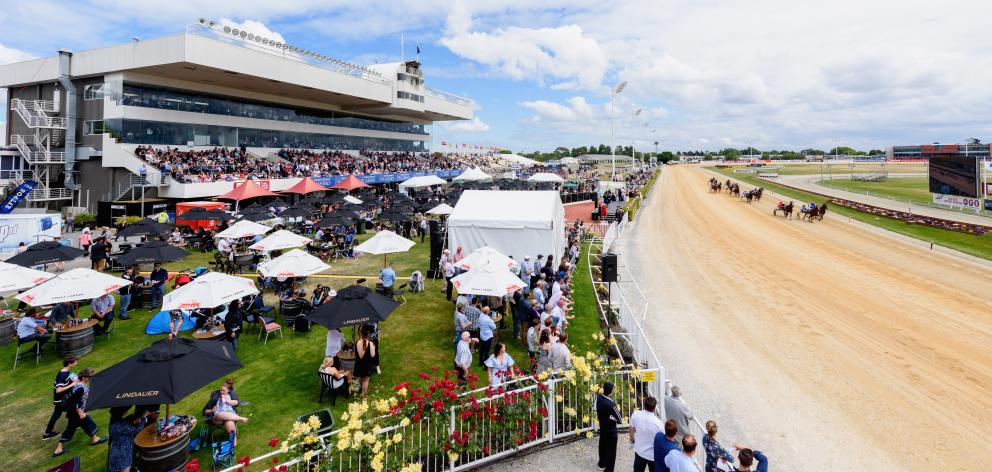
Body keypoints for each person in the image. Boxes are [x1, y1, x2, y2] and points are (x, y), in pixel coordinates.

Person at [53, 368, 107, 457]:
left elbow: (73, 377)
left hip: (75, 411)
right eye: (89, 376)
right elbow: (76, 402)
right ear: (84, 377)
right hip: (76, 412)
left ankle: (94, 439)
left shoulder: (79, 383)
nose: (91, 377)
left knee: (86, 424)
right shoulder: (81, 388)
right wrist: (80, 413)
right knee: (72, 428)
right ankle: (58, 450)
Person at [43, 357, 79, 440]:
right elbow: (58, 390)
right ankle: (75, 424)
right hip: (61, 400)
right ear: (70, 364)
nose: (76, 363)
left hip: (61, 399)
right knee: (74, 408)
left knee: (57, 414)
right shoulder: (62, 375)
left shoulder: (65, 372)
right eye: (75, 362)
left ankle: (47, 433)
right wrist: (72, 384)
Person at [628, 396, 664, 472]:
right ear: (654, 408)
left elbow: (631, 429)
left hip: (639, 451)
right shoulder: (658, 423)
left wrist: (632, 440)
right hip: (652, 455)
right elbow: (662, 440)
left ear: (644, 405)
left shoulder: (636, 414)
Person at [107, 406, 148, 472]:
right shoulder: (121, 427)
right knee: (125, 469)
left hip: (115, 450)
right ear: (120, 413)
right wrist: (144, 417)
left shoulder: (113, 423)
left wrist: (134, 419)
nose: (127, 412)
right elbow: (137, 430)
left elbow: (126, 422)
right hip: (124, 452)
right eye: (125, 411)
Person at [595, 381, 622, 472]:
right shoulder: (611, 404)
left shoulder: (599, 398)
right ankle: (609, 469)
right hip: (611, 429)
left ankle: (601, 464)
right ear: (611, 391)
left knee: (602, 445)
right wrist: (612, 418)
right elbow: (619, 418)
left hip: (602, 426)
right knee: (611, 450)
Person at [353, 324, 377, 398]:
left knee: (360, 377)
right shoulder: (370, 343)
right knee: (365, 380)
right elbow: (373, 355)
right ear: (368, 334)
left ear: (361, 333)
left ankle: (359, 390)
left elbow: (356, 353)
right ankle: (363, 396)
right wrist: (373, 347)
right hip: (367, 365)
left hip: (358, 364)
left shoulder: (357, 342)